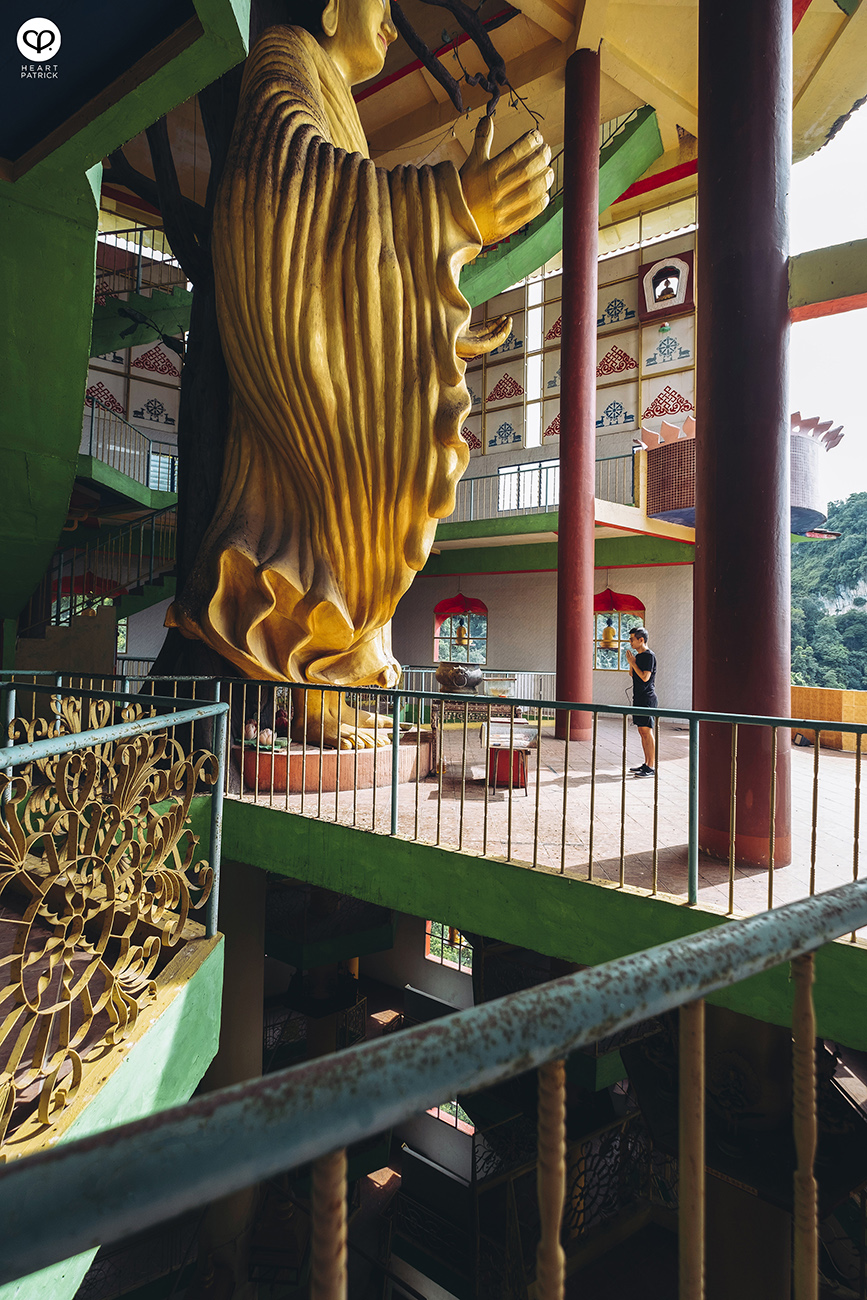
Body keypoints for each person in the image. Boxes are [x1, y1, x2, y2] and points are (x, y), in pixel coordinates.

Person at [166, 0, 553, 749]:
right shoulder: (284, 56)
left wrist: (427, 322)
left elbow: (350, 266)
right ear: (333, 6)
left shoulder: (335, 95)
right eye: (379, 3)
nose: (390, 20)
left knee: (348, 517)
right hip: (280, 400)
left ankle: (321, 686)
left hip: (312, 363)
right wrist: (446, 203)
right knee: (318, 519)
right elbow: (275, 188)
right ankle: (298, 690)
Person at [625, 627, 657, 777]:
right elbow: (633, 674)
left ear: (641, 640)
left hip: (647, 698)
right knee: (641, 731)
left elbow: (645, 677)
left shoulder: (649, 656)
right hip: (638, 698)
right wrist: (632, 662)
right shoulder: (638, 656)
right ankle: (646, 764)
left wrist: (633, 662)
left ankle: (651, 767)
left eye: (632, 639)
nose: (630, 642)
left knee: (647, 731)